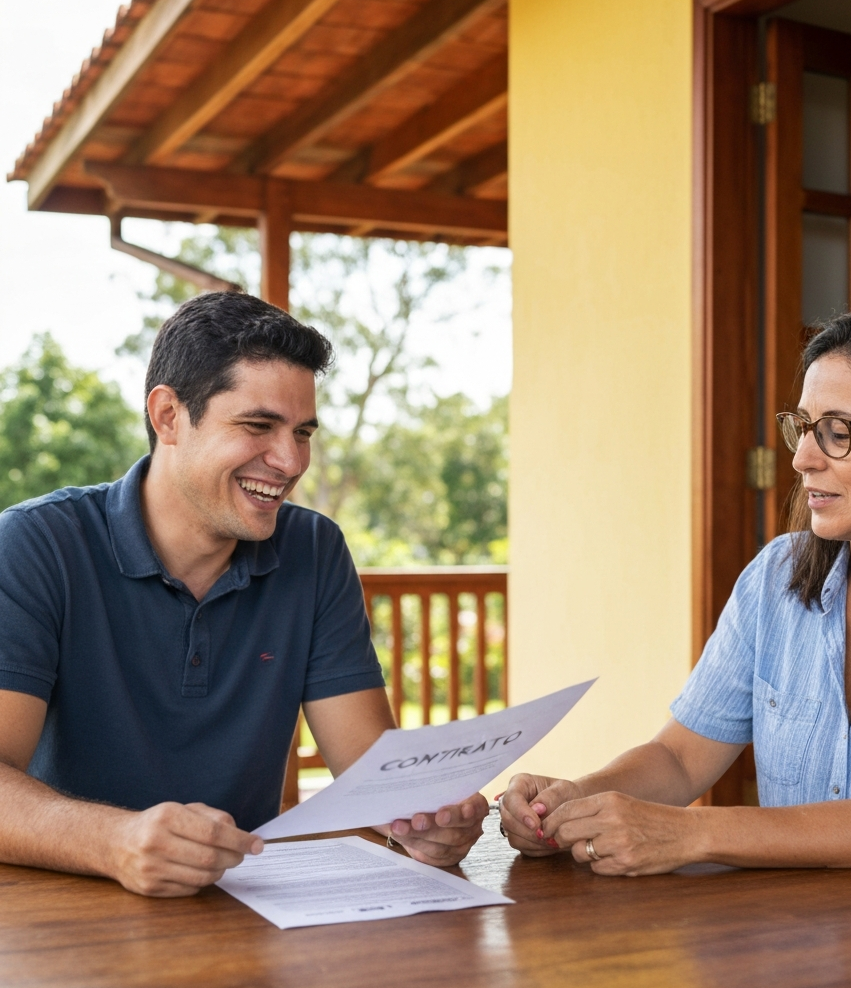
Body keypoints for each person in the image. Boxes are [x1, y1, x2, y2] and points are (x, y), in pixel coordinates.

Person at [500, 300, 851, 907]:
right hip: (799, 950)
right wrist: (572, 806)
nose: (803, 458)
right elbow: (677, 758)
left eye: (840, 431)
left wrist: (690, 834)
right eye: (803, 427)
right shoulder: (775, 577)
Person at [0, 292, 487, 897]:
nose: (289, 461)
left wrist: (419, 822)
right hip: (61, 921)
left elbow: (373, 779)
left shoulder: (314, 549)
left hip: (248, 914)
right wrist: (116, 841)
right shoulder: (35, 544)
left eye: (302, 431)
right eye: (258, 426)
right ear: (168, 416)